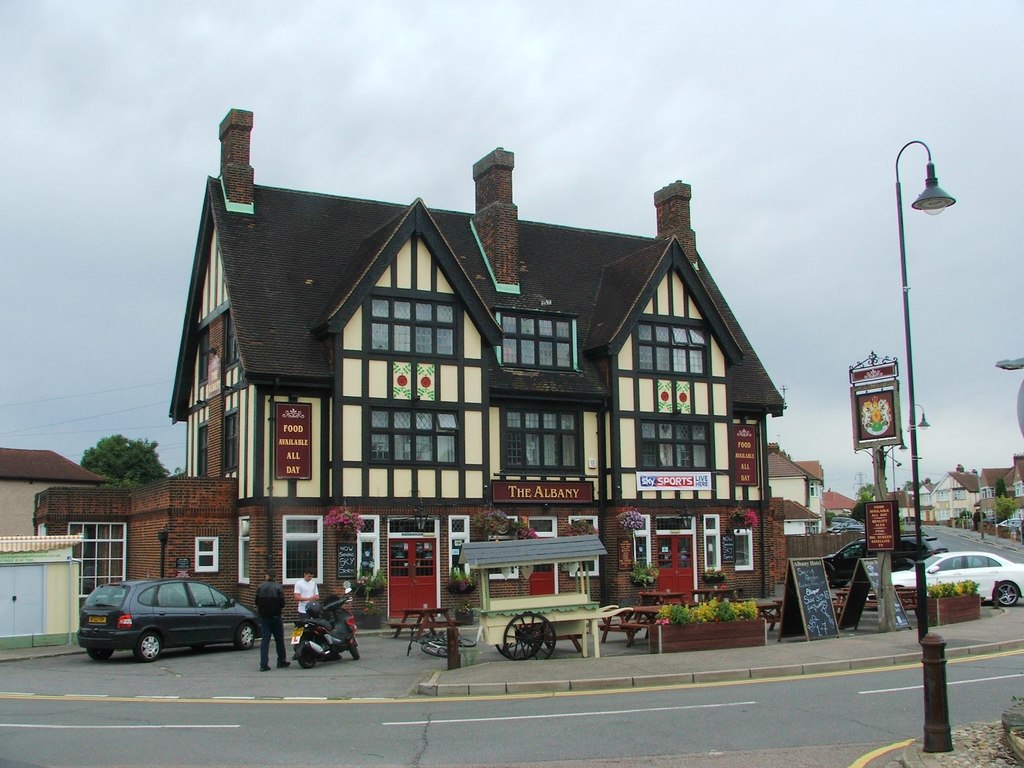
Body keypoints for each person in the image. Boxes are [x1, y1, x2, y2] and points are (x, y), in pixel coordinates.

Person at [255, 572, 290, 671]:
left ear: (267, 577)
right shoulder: (278, 587)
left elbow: (256, 601)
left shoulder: (260, 587)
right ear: (275, 577)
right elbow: (282, 603)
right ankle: (281, 660)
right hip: (275, 617)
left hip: (264, 617)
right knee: (279, 640)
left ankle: (263, 664)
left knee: (265, 640)